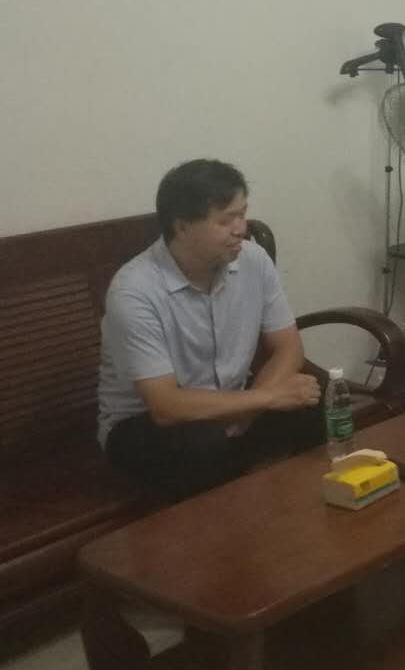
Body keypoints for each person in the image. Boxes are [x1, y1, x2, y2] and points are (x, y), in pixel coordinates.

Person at [97, 159, 322, 503]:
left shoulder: (253, 260)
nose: (240, 229)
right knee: (202, 442)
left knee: (312, 403)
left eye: (242, 214)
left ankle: (309, 514)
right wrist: (266, 399)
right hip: (147, 426)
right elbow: (165, 405)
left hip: (233, 403)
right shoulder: (135, 291)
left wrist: (250, 408)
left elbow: (288, 347)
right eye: (225, 220)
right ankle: (235, 528)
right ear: (183, 226)